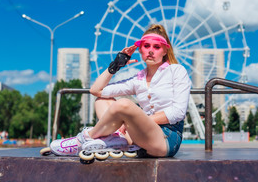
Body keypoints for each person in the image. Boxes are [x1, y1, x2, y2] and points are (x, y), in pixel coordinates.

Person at [50, 24, 191, 157]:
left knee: (124, 104)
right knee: (102, 100)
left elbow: (178, 112)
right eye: (146, 46)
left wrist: (135, 120)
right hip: (138, 136)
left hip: (166, 139)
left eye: (157, 47)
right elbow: (96, 90)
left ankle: (84, 138)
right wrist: (116, 65)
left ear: (165, 50)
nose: (151, 51)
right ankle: (116, 139)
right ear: (140, 50)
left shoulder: (176, 71)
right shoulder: (138, 79)